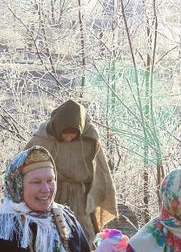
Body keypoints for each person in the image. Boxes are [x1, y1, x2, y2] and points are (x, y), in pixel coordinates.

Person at [26, 99, 118, 240]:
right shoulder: (44, 138)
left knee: (82, 233)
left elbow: (100, 171)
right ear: (58, 129)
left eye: (72, 134)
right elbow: (24, 165)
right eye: (65, 134)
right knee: (49, 232)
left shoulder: (89, 139)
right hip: (50, 191)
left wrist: (94, 197)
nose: (68, 138)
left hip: (78, 196)